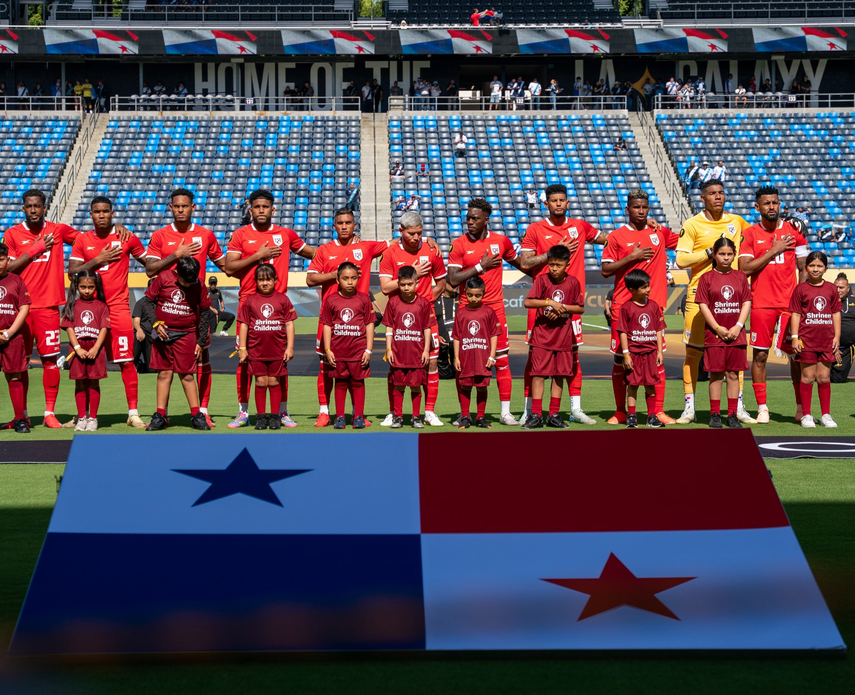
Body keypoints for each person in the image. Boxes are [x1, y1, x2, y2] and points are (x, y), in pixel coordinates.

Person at [224, 189, 315, 428]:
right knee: (244, 359)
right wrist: (259, 255)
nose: (261, 210)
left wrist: (344, 250)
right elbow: (229, 268)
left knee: (280, 362)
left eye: (265, 207)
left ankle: (281, 411)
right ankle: (243, 412)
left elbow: (315, 253)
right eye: (257, 207)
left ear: (273, 209)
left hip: (277, 305)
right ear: (250, 210)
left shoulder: (285, 234)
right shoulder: (240, 234)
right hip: (248, 303)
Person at [519, 183, 608, 425]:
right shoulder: (535, 229)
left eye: (562, 200)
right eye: (553, 201)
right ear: (546, 204)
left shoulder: (580, 226)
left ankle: (574, 409)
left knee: (571, 358)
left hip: (571, 306)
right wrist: (554, 252)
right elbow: (525, 263)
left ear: (568, 203)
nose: (558, 204)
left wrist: (643, 226)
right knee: (535, 359)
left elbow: (610, 240)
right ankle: (530, 410)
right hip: (542, 306)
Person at [144, 188, 226, 427]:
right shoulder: (160, 236)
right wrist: (176, 255)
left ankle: (202, 411)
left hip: (196, 313)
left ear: (193, 207)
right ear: (171, 208)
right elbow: (149, 269)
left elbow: (226, 265)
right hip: (167, 312)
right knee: (165, 371)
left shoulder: (206, 235)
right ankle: (162, 414)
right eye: (177, 206)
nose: (181, 210)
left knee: (201, 359)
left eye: (185, 206)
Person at [675, 178, 753, 424]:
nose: (718, 196)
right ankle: (689, 407)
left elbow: (760, 233)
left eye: (721, 192)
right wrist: (708, 252)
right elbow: (681, 260)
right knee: (693, 352)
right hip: (699, 297)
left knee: (735, 353)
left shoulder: (737, 221)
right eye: (712, 193)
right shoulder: (692, 224)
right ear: (703, 198)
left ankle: (738, 407)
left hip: (731, 299)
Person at [601, 189, 679, 426]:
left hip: (653, 308)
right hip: (623, 308)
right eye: (636, 207)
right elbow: (605, 270)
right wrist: (631, 257)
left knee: (656, 359)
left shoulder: (659, 232)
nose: (641, 211)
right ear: (628, 209)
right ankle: (621, 412)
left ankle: (658, 411)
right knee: (620, 359)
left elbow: (685, 241)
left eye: (644, 207)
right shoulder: (616, 236)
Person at [67, 197, 146, 428]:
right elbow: (72, 272)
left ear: (112, 213)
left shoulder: (126, 237)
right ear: (90, 214)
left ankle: (133, 413)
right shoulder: (83, 239)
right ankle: (83, 415)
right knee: (83, 363)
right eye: (96, 212)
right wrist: (98, 259)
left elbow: (149, 263)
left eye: (105, 211)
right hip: (88, 310)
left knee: (127, 361)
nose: (101, 215)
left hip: (118, 308)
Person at [307, 208, 389, 427]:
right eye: (340, 223)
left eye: (348, 223)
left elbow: (397, 242)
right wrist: (333, 275)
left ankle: (356, 414)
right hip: (330, 319)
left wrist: (427, 239)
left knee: (356, 368)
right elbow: (310, 279)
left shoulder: (366, 247)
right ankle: (324, 412)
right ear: (334, 225)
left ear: (355, 225)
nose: (344, 226)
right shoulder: (324, 250)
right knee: (326, 364)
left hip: (357, 321)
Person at [447, 198, 524, 426]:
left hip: (495, 309)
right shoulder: (459, 244)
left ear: (486, 220)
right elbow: (453, 279)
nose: (469, 222)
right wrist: (480, 267)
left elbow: (522, 265)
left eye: (475, 218)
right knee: (463, 364)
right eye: (468, 218)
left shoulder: (501, 241)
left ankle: (505, 412)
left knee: (501, 360)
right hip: (467, 310)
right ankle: (464, 413)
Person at [738, 185, 808, 423]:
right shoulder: (750, 234)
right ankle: (762, 407)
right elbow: (744, 269)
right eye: (766, 203)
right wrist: (774, 250)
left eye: (775, 202)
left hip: (790, 305)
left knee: (796, 356)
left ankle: (801, 407)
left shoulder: (794, 230)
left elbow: (803, 269)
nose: (771, 206)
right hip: (762, 304)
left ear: (780, 204)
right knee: (760, 356)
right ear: (757, 207)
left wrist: (802, 299)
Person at [379, 212, 447, 426]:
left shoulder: (432, 250)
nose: (417, 237)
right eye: (411, 234)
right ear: (401, 231)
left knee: (431, 362)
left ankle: (429, 411)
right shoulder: (390, 253)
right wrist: (412, 273)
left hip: (426, 318)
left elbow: (442, 284)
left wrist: (424, 305)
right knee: (396, 365)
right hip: (398, 318)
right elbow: (385, 287)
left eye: (420, 233)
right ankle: (394, 412)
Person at [142, 257, 213, 431]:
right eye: (185, 281)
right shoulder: (163, 278)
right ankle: (160, 416)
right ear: (176, 273)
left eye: (192, 281)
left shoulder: (199, 284)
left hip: (187, 334)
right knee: (164, 374)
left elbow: (205, 312)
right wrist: (155, 324)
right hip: (163, 334)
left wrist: (200, 341)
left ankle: (196, 415)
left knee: (187, 375)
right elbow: (147, 302)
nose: (189, 284)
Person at [521, 245, 585, 430]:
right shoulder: (542, 280)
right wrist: (550, 302)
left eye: (559, 265)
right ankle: (536, 415)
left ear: (567, 265)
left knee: (559, 376)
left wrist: (561, 308)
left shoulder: (573, 282)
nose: (554, 268)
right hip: (542, 337)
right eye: (551, 265)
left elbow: (580, 308)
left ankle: (554, 414)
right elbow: (528, 302)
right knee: (538, 375)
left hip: (563, 338)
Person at [696, 238, 753, 429]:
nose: (726, 257)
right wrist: (717, 328)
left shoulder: (740, 277)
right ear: (714, 254)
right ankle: (714, 414)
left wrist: (738, 326)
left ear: (734, 255)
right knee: (716, 375)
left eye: (729, 254)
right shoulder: (706, 278)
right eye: (722, 254)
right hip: (714, 336)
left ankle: (732, 414)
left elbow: (746, 302)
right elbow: (703, 305)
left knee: (733, 375)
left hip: (737, 335)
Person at [237, 264, 297, 431]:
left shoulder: (283, 299)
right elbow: (244, 325)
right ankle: (261, 417)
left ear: (275, 280)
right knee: (261, 382)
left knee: (274, 382)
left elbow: (289, 324)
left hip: (277, 350)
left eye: (268, 279)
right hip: (256, 351)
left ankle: (275, 417)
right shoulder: (250, 301)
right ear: (256, 281)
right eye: (261, 280)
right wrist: (243, 348)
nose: (265, 283)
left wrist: (290, 347)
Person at [790, 251, 841, 428]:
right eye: (812, 265)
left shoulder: (831, 289)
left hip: (826, 340)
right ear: (806, 268)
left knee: (824, 378)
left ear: (825, 268)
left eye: (819, 266)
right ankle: (806, 415)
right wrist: (795, 338)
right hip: (807, 340)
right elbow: (796, 314)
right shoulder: (800, 289)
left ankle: (826, 415)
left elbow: (836, 313)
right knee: (807, 377)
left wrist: (837, 336)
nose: (815, 269)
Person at [321, 262, 374, 430]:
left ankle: (358, 416)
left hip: (358, 351)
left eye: (353, 278)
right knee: (340, 382)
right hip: (338, 351)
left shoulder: (364, 299)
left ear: (358, 279)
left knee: (358, 383)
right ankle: (340, 417)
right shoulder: (331, 300)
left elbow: (369, 324)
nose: (350, 282)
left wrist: (368, 350)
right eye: (345, 278)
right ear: (338, 280)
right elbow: (327, 325)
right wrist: (328, 349)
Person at [383, 266, 433, 428]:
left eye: (409, 284)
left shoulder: (423, 303)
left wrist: (426, 350)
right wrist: (389, 349)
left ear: (416, 284)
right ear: (398, 284)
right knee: (398, 385)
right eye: (403, 284)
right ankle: (398, 417)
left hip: (417, 354)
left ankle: (416, 417)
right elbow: (389, 327)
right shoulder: (393, 302)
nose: (406, 287)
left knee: (415, 386)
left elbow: (427, 328)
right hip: (398, 353)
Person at [616, 269, 666, 429]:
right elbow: (623, 332)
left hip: (651, 353)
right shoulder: (626, 308)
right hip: (634, 354)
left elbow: (658, 329)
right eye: (644, 287)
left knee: (650, 385)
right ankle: (632, 416)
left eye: (648, 285)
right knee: (633, 385)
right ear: (632, 290)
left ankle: (652, 416)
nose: (648, 289)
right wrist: (626, 355)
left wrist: (659, 351)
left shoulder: (653, 306)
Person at [60, 270, 109, 432]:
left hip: (95, 348)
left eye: (90, 287)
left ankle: (93, 418)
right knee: (80, 383)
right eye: (83, 287)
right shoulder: (72, 305)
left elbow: (104, 328)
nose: (87, 291)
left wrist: (96, 348)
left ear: (96, 287)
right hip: (78, 349)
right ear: (76, 286)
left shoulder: (101, 306)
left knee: (94, 383)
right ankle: (82, 418)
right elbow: (69, 328)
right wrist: (77, 348)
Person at [452, 276, 500, 429]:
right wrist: (456, 357)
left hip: (482, 358)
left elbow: (494, 335)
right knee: (465, 387)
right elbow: (457, 337)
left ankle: (480, 417)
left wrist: (492, 356)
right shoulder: (461, 313)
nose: (473, 298)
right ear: (465, 293)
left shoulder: (489, 312)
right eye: (470, 295)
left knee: (481, 387)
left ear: (483, 294)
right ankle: (465, 417)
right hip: (465, 358)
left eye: (478, 295)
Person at [0, 242, 31, 433]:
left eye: (1, 259)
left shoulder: (17, 280)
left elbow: (24, 308)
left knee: (14, 377)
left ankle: (20, 419)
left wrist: (9, 333)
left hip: (12, 337)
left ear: (8, 260)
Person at [832, 273, 855, 382]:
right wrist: (833, 347)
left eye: (841, 288)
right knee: (821, 376)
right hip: (829, 346)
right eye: (836, 287)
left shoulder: (853, 302)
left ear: (848, 289)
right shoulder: (827, 302)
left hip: (847, 348)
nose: (838, 290)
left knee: (839, 379)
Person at [435, 284, 458, 380]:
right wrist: (436, 336)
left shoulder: (462, 299)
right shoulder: (435, 299)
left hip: (458, 343)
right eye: (452, 283)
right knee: (443, 375)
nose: (455, 285)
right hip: (441, 344)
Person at [132, 283, 153, 374]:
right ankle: (134, 364)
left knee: (152, 370)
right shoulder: (140, 303)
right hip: (143, 333)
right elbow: (136, 321)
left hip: (155, 336)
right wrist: (139, 330)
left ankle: (142, 366)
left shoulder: (162, 303)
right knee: (137, 335)